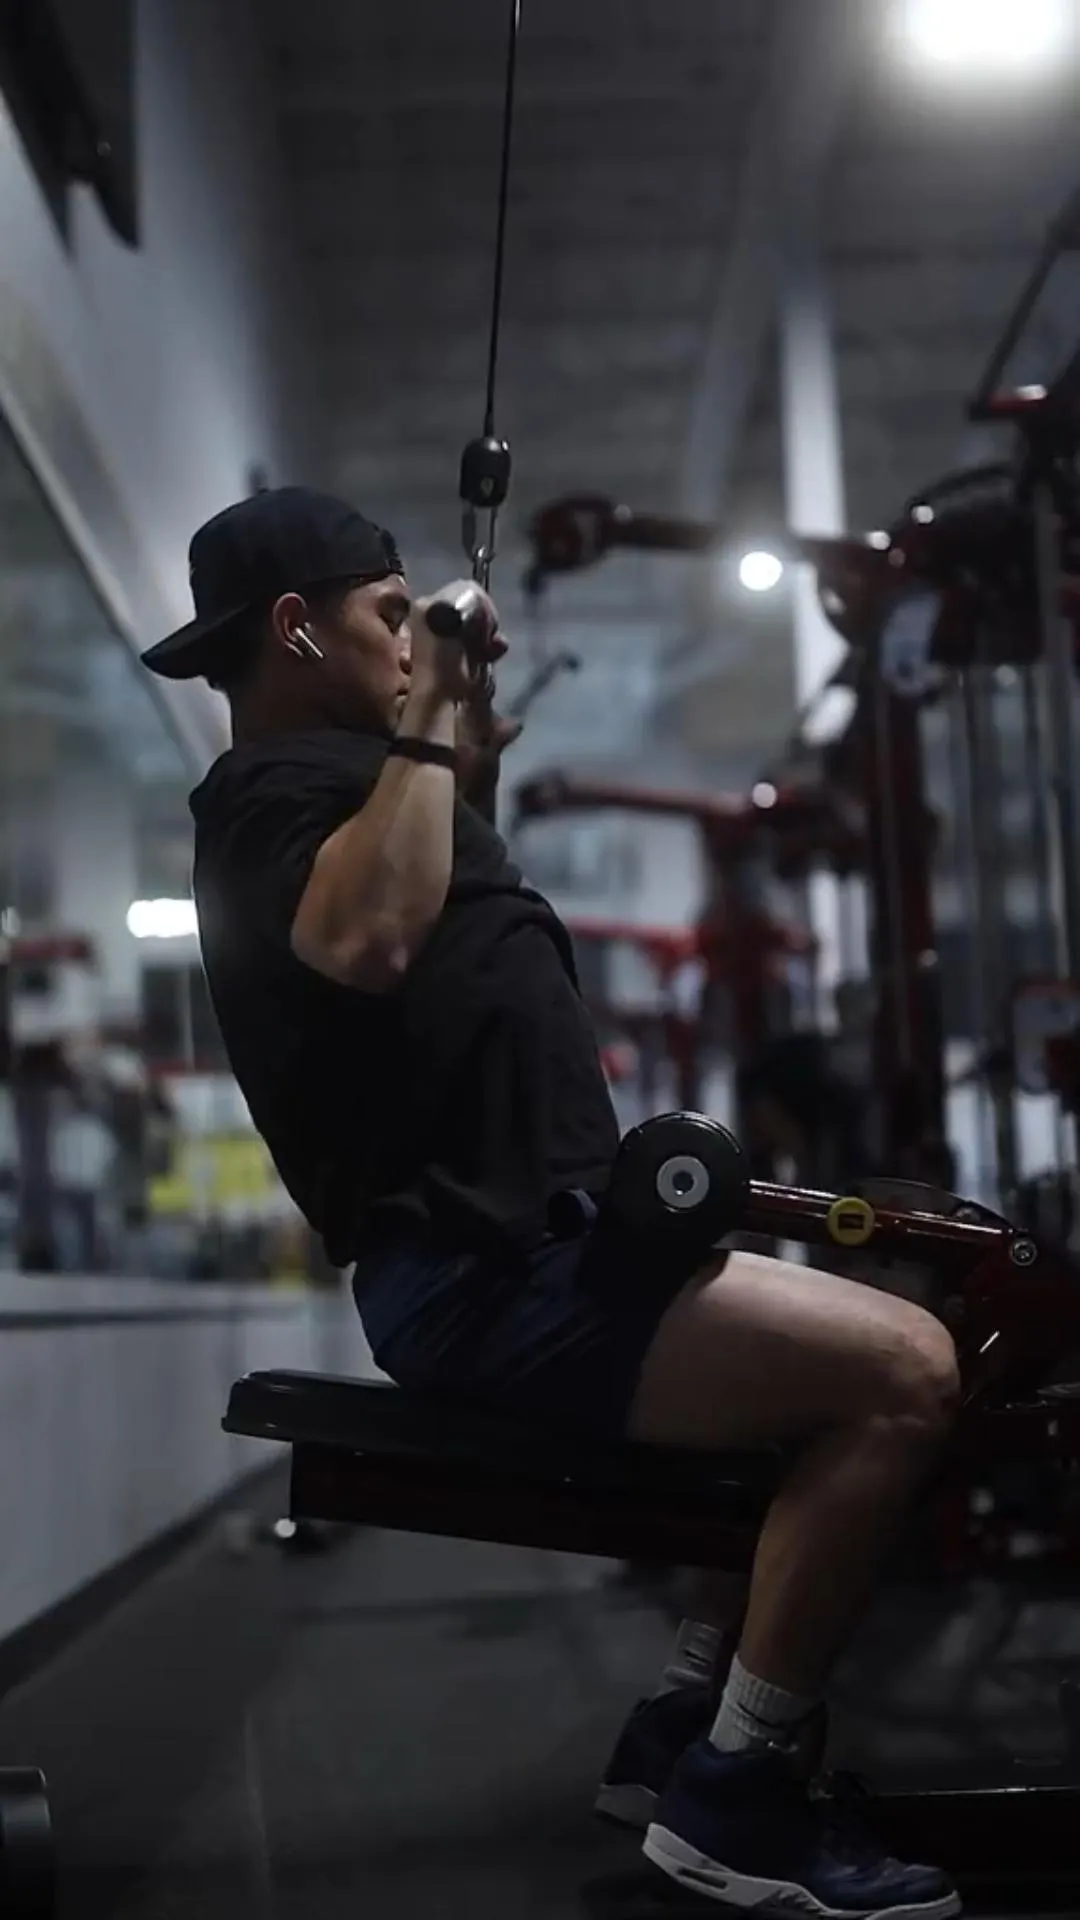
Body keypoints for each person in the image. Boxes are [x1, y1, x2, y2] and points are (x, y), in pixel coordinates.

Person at [143, 488, 961, 1920]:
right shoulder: (272, 800)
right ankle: (740, 1799)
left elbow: (429, 912)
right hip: (488, 1271)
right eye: (388, 617)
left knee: (855, 1356)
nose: (411, 641)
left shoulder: (343, 784)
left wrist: (455, 750)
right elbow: (377, 933)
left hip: (539, 1244)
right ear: (295, 627)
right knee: (905, 1374)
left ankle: (685, 1729)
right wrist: (430, 726)